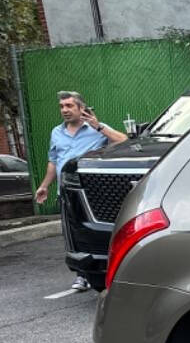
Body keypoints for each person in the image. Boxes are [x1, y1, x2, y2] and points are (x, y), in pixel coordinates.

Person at [34, 91, 128, 292]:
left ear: (80, 108)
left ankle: (107, 271)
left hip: (89, 192)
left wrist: (99, 126)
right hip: (66, 193)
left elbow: (124, 140)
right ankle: (81, 275)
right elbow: (53, 161)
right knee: (72, 234)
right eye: (62, 106)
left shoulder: (95, 128)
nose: (65, 110)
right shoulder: (56, 132)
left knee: (92, 232)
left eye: (69, 106)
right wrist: (44, 186)